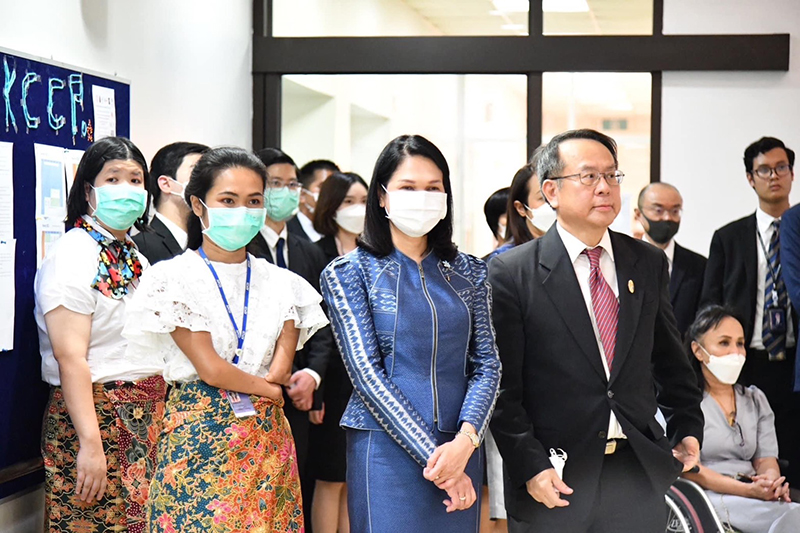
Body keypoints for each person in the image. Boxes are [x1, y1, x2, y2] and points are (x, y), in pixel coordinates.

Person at [489, 128, 704, 533]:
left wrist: (687, 427)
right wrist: (530, 466)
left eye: (612, 176)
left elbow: (671, 361)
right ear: (551, 192)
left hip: (635, 471)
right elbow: (503, 392)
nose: (604, 188)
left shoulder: (646, 261)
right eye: (588, 177)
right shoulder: (511, 272)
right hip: (556, 477)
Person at [124, 147, 329, 531]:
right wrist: (267, 392)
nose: (242, 211)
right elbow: (210, 368)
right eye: (228, 200)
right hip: (198, 436)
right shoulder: (173, 279)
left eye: (253, 201)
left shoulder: (283, 282)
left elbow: (283, 366)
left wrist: (271, 387)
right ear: (199, 205)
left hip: (267, 443)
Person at [320, 134, 502, 532]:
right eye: (408, 187)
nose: (422, 197)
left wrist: (466, 441)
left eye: (433, 188)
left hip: (461, 441)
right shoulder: (350, 272)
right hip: (385, 449)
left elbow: (487, 364)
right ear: (382, 197)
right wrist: (443, 466)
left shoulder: (470, 272)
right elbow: (367, 375)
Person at [35, 136, 166, 533]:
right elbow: (70, 357)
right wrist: (90, 444)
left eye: (136, 179)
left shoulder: (136, 257)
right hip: (96, 418)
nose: (127, 189)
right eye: (113, 178)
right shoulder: (71, 255)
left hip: (148, 418)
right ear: (88, 190)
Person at [701, 136, 800, 485]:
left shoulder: (799, 230)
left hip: (795, 359)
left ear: (791, 172)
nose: (774, 176)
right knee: (751, 451)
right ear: (750, 178)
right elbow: (710, 306)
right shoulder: (728, 237)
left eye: (781, 168)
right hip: (747, 361)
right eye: (764, 170)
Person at [249, 147, 336, 522]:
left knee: (294, 488)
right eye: (274, 184)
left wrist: (313, 375)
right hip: (254, 387)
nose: (284, 192)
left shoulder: (307, 250)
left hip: (299, 396)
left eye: (291, 184)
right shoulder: (240, 246)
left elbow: (323, 320)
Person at [682, 304, 800, 533]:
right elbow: (688, 468)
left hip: (753, 492)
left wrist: (770, 483)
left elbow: (766, 460)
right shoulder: (683, 404)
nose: (735, 352)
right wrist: (746, 491)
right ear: (698, 350)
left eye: (740, 343)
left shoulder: (755, 400)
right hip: (706, 495)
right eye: (724, 343)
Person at [307, 170, 368, 533]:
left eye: (362, 201)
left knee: (354, 476)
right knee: (330, 476)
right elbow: (318, 328)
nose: (357, 209)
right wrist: (317, 391)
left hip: (367, 381)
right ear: (331, 207)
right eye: (348, 202)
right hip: (332, 381)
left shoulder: (379, 255)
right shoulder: (317, 254)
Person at [634, 182, 706, 337]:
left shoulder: (699, 266)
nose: (667, 218)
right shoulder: (622, 261)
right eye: (658, 210)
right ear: (638, 214)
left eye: (675, 211)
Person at [133, 141, 208, 264]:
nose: (207, 181)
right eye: (197, 170)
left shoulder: (208, 244)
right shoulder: (141, 246)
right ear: (166, 184)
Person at [486, 161, 556, 262]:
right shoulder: (505, 259)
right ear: (521, 208)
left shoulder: (574, 251)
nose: (552, 203)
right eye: (543, 198)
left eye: (556, 195)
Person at [289, 158, 340, 242]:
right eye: (323, 187)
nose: (331, 193)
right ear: (302, 194)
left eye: (335, 188)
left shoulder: (340, 234)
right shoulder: (287, 232)